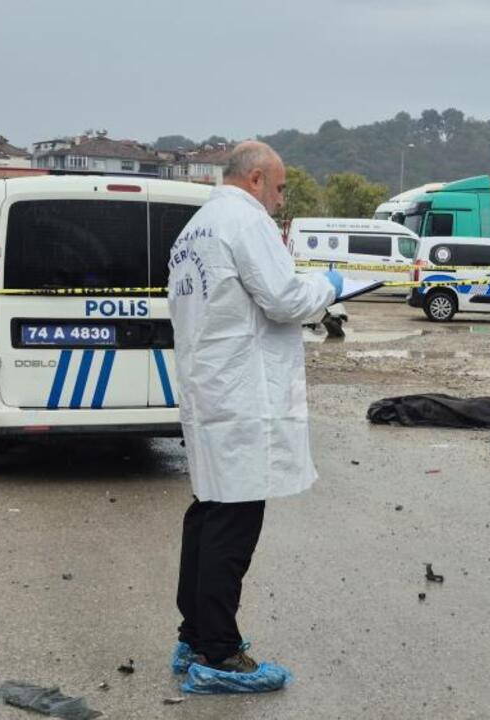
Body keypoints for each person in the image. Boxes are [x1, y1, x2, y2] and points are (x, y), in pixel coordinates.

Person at [166, 141, 342, 693]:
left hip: (211, 388)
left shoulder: (195, 227)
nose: (281, 199)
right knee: (232, 523)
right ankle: (218, 651)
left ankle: (194, 634)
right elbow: (286, 298)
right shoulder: (245, 220)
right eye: (281, 188)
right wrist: (331, 286)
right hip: (244, 396)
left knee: (209, 511)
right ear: (258, 178)